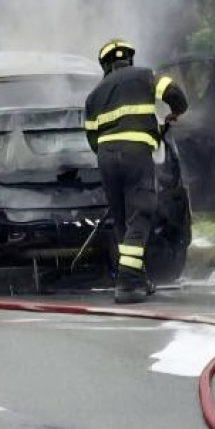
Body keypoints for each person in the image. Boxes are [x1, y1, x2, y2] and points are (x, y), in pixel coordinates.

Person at [84, 39, 188, 304]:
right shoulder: (145, 76)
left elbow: (92, 138)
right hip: (136, 155)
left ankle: (137, 276)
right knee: (140, 215)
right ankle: (128, 284)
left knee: (122, 221)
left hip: (106, 158)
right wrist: (176, 112)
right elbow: (175, 93)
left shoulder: (94, 96)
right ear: (128, 60)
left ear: (105, 66)